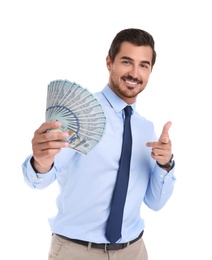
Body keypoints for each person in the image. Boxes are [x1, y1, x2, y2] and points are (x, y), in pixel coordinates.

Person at [22, 28, 176, 260]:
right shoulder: (80, 113)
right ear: (109, 62)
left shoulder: (146, 129)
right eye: (127, 61)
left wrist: (165, 165)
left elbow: (155, 202)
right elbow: (39, 180)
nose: (135, 73)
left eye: (143, 65)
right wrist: (40, 162)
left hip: (133, 251)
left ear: (150, 70)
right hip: (77, 251)